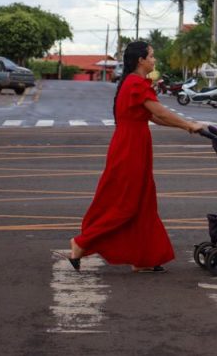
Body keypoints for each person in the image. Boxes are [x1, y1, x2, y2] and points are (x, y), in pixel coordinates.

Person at [64, 41, 206, 273]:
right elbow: (160, 112)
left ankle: (142, 258)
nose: (154, 60)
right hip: (130, 148)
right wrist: (188, 125)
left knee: (143, 202)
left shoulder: (133, 82)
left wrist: (184, 125)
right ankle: (81, 242)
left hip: (134, 145)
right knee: (126, 204)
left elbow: (154, 117)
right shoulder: (136, 84)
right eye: (151, 56)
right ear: (141, 60)